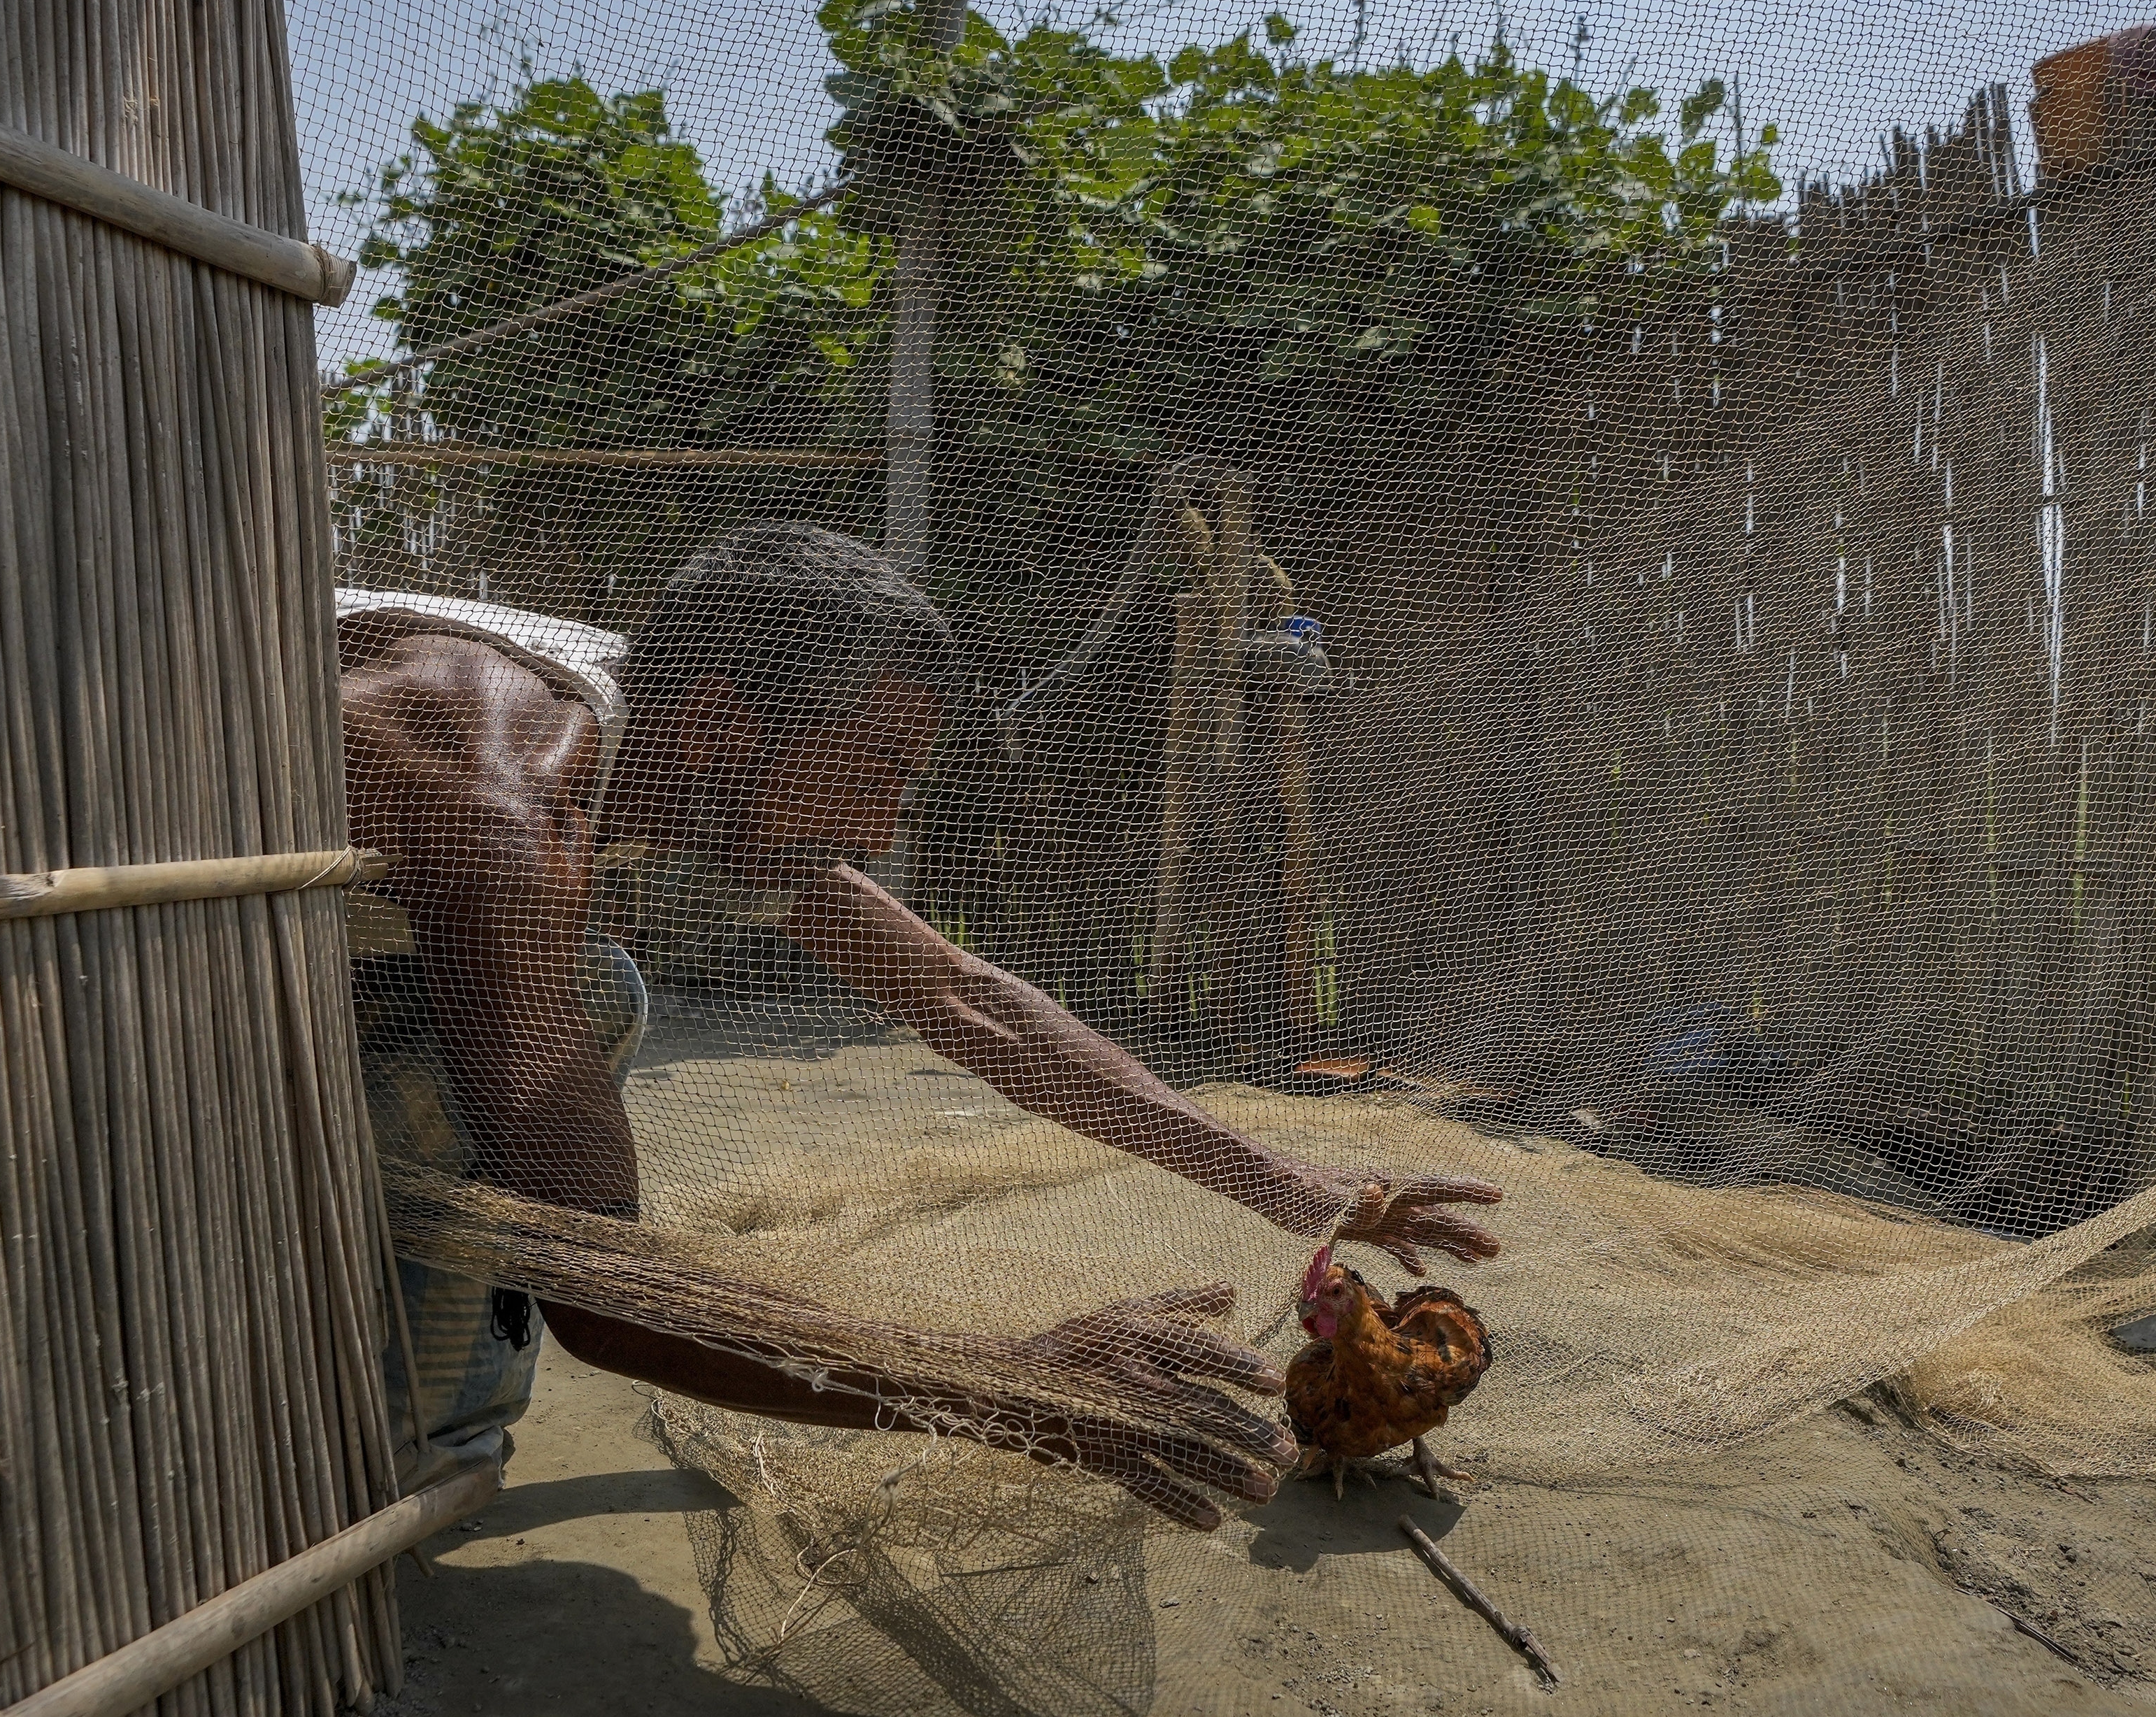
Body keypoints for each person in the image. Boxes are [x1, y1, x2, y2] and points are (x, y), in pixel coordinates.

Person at [336, 520, 1498, 1527]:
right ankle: (393, 1448)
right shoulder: (502, 801)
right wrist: (1011, 1387)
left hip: (361, 937)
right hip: (231, 993)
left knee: (588, 995)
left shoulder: (672, 750)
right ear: (721, 727)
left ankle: (434, 1437)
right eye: (877, 768)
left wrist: (1286, 1185)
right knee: (584, 1007)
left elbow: (965, 1001)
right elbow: (605, 1288)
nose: (884, 825)